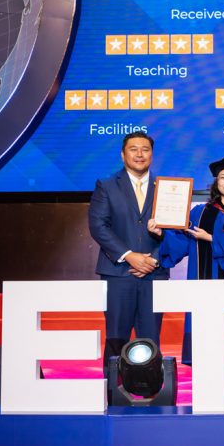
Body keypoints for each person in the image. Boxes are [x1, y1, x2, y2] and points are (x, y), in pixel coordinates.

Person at [148, 157, 224, 405]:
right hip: (201, 290)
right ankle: (206, 400)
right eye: (223, 177)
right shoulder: (199, 212)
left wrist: (211, 237)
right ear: (215, 182)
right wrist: (160, 232)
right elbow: (180, 242)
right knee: (203, 346)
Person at [89, 131, 168, 373]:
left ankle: (152, 392)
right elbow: (98, 226)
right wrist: (129, 255)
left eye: (145, 149)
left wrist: (153, 258)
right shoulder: (107, 185)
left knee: (151, 338)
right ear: (123, 154)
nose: (139, 154)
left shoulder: (166, 189)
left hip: (154, 274)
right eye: (133, 149)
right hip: (118, 273)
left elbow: (176, 230)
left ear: (152, 155)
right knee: (116, 337)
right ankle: (113, 394)